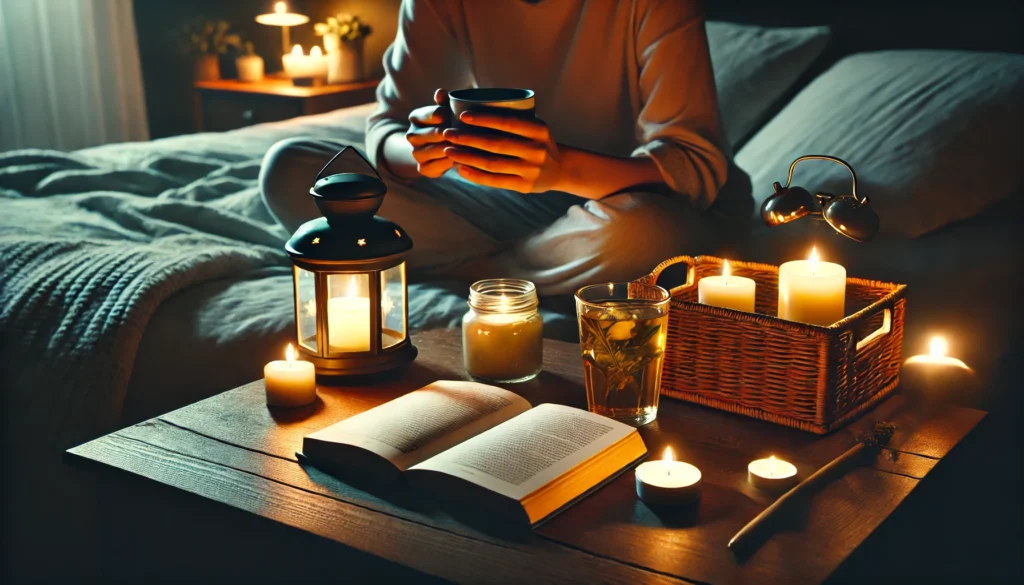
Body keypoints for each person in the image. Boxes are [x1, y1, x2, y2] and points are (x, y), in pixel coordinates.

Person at [260, 0, 751, 296]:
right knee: (295, 170)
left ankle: (468, 273)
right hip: (504, 201)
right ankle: (522, 272)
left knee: (643, 239)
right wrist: (420, 151)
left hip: (627, 206)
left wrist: (559, 170)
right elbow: (388, 126)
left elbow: (694, 164)